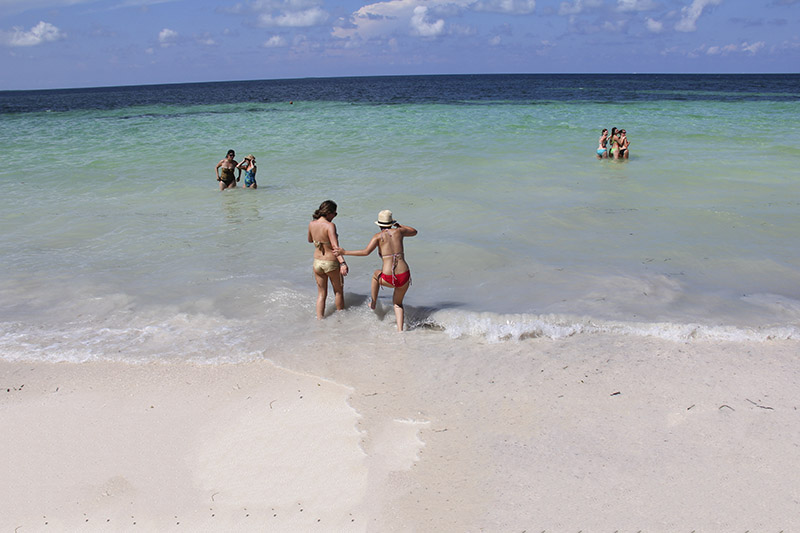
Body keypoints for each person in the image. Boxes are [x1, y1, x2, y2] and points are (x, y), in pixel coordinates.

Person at [335, 210, 417, 332]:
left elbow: (365, 252)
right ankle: (400, 330)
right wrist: (399, 226)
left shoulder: (378, 237)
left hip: (389, 277)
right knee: (398, 304)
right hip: (405, 276)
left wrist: (344, 252)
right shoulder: (399, 232)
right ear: (392, 222)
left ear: (379, 224)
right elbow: (414, 232)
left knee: (375, 275)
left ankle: (373, 302)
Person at [308, 200, 348, 319]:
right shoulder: (330, 226)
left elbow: (310, 240)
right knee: (338, 291)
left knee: (321, 293)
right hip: (330, 262)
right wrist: (343, 263)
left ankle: (320, 319)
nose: (334, 217)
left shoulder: (311, 224)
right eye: (334, 214)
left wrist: (320, 240)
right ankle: (341, 319)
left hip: (317, 262)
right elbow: (335, 248)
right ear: (329, 213)